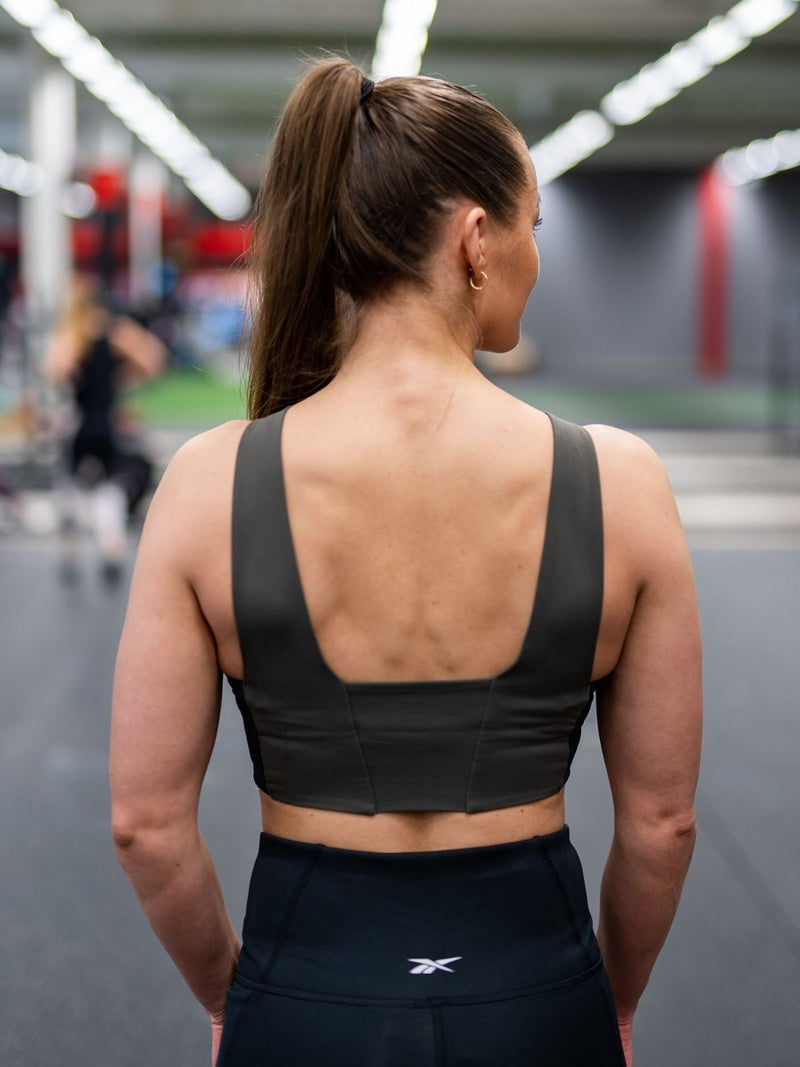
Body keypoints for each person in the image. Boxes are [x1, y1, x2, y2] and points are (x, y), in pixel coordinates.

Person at [110, 57, 702, 1067]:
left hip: (304, 1001)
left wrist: (235, 1001)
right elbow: (658, 821)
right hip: (535, 995)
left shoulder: (209, 483)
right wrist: (611, 1002)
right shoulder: (622, 482)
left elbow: (145, 824)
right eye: (532, 229)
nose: (535, 258)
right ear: (475, 240)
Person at [44, 274, 166, 578]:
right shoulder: (115, 334)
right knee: (108, 483)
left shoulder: (74, 335)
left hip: (83, 421)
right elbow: (154, 359)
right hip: (104, 420)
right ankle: (109, 543)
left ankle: (73, 546)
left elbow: (55, 370)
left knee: (74, 482)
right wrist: (121, 376)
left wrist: (112, 374)